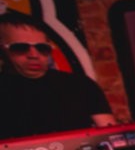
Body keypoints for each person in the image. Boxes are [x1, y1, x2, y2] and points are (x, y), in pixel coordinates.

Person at [0, 10, 116, 138]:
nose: (34, 55)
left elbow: (111, 137)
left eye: (42, 48)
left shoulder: (81, 85)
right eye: (20, 47)